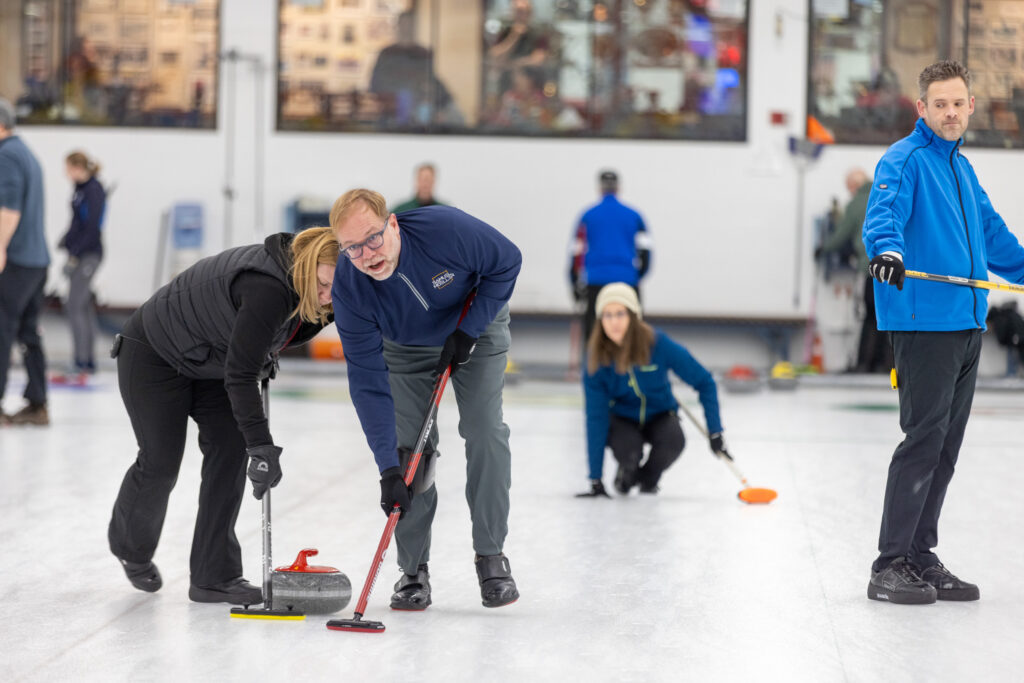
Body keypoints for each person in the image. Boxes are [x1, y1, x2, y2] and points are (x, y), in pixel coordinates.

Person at [862, 60, 1024, 605]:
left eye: (959, 103)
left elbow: (994, 236)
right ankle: (889, 564)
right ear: (922, 109)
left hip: (967, 321)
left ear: (970, 106)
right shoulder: (903, 160)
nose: (951, 113)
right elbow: (882, 215)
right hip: (925, 323)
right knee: (923, 441)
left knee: (946, 448)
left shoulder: (962, 169)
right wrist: (886, 251)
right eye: (940, 104)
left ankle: (919, 554)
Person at [107, 227, 339, 604]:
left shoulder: (317, 293)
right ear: (306, 266)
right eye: (324, 284)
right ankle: (131, 548)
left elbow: (273, 339)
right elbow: (242, 374)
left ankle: (214, 576)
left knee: (230, 453)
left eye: (337, 290)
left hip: (210, 361)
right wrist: (262, 445)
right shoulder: (268, 288)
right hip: (153, 353)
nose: (328, 297)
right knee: (161, 461)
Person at [330, 189, 521, 610]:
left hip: (476, 328)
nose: (367, 254)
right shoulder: (350, 290)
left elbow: (507, 261)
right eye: (353, 248)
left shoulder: (445, 230)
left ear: (393, 224)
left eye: (373, 238)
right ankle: (413, 571)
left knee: (484, 430)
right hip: (405, 348)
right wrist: (386, 470)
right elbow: (366, 382)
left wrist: (469, 330)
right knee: (410, 454)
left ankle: (491, 556)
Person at [576, 283, 726, 498]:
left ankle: (647, 478)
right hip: (622, 419)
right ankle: (627, 470)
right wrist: (595, 479)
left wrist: (715, 431)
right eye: (607, 315)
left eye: (620, 314)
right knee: (630, 451)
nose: (613, 322)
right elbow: (595, 417)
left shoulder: (658, 344)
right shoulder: (596, 358)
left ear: (634, 316)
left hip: (659, 415)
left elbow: (705, 381)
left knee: (673, 441)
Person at [0, 96, 50, 427]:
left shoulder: (6, 155)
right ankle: (37, 403)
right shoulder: (27, 153)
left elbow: (8, 210)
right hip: (37, 261)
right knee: (29, 333)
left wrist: (0, 247)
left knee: (2, 330)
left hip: (15, 260)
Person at [817, 168, 891, 373]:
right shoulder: (886, 196)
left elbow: (841, 234)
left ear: (854, 186)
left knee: (869, 316)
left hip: (871, 270)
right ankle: (885, 364)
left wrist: (823, 248)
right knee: (887, 315)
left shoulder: (856, 203)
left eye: (849, 188)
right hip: (895, 268)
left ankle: (864, 364)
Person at [568, 169, 652, 342]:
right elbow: (646, 252)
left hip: (596, 282)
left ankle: (594, 368)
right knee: (630, 333)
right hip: (627, 281)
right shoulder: (634, 216)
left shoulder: (588, 216)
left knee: (594, 333)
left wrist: (574, 282)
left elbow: (576, 253)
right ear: (618, 187)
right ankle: (628, 367)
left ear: (599, 188)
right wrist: (638, 275)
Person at [58, 151, 107, 376]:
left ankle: (81, 361)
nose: (66, 173)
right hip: (78, 253)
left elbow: (92, 228)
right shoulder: (79, 190)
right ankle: (87, 360)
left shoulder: (94, 190)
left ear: (78, 167)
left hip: (89, 255)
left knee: (74, 305)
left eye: (68, 168)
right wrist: (66, 241)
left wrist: (76, 253)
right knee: (83, 305)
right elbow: (77, 222)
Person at [369, 11, 459, 128]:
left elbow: (431, 81)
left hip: (419, 118)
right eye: (404, 24)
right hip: (391, 117)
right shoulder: (387, 54)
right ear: (398, 26)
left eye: (410, 25)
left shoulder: (423, 53)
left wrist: (441, 102)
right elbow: (376, 84)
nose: (407, 28)